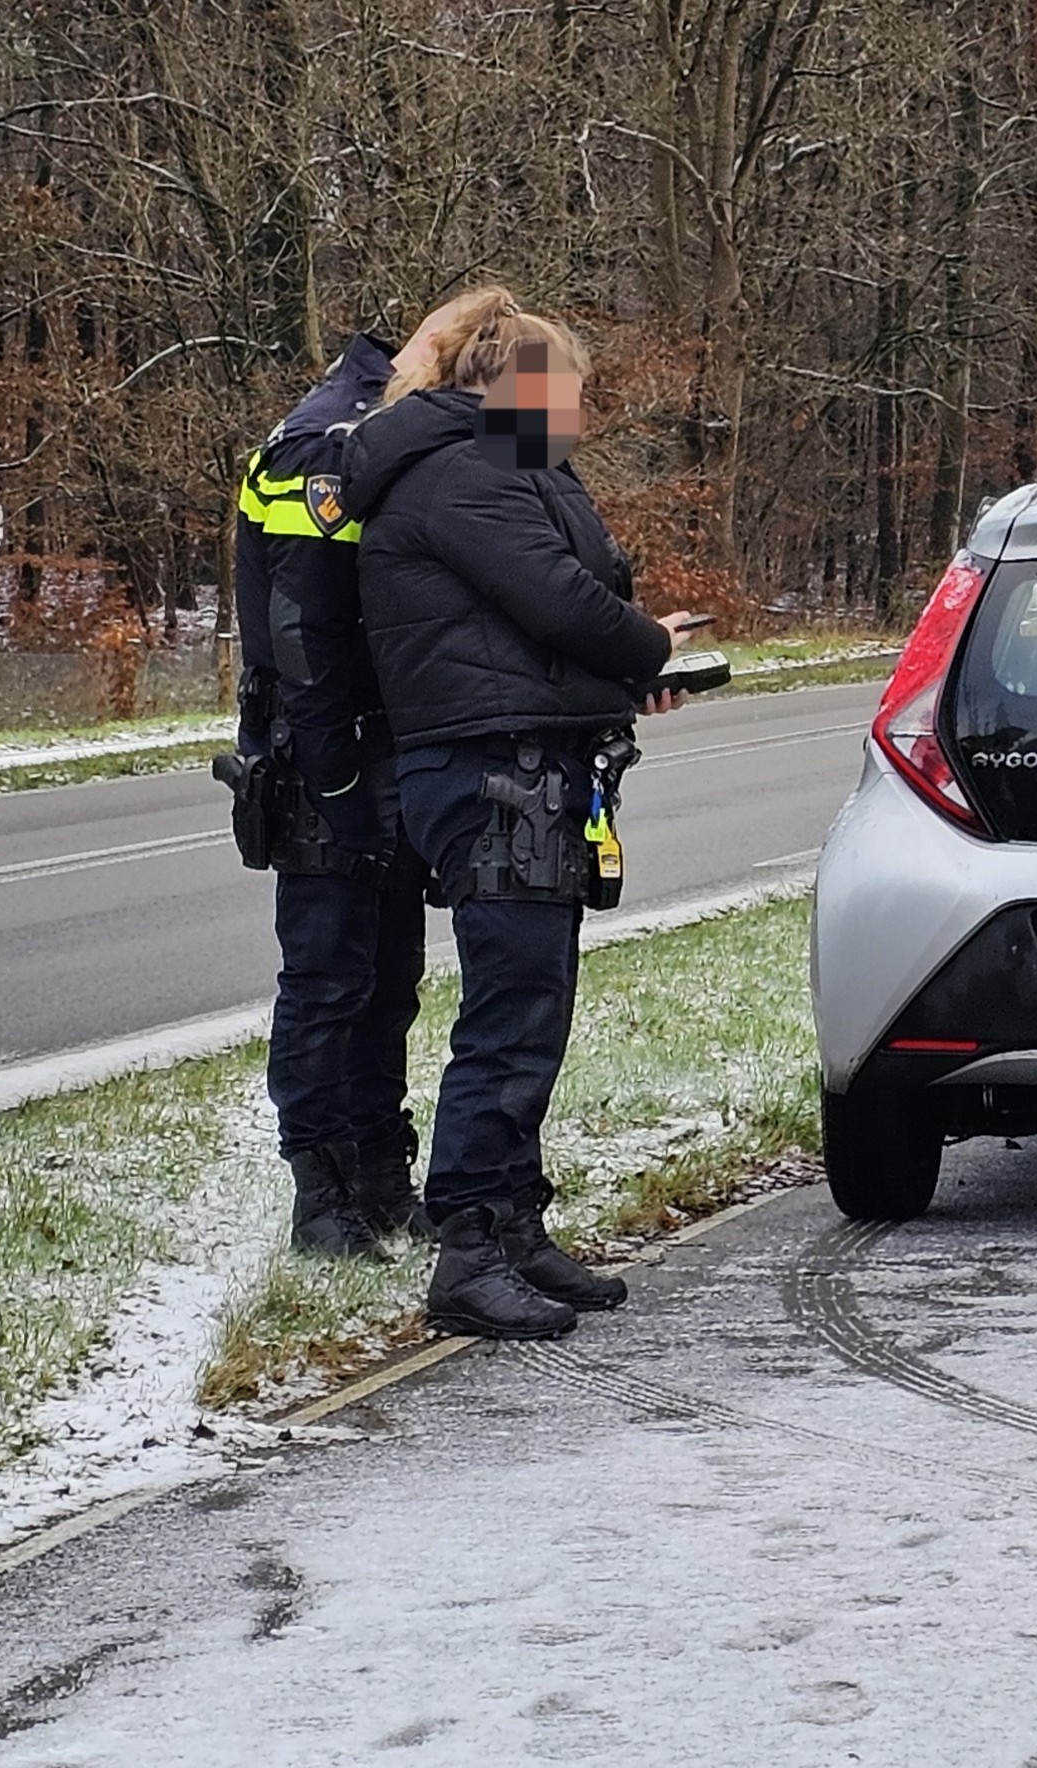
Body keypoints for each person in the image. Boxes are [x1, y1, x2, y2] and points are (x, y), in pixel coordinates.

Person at [346, 296, 686, 1340]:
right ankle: (466, 1245)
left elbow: (568, 605)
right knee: (506, 1018)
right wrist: (649, 648)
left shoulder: (500, 467)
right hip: (492, 769)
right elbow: (561, 601)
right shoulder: (463, 474)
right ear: (511, 385)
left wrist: (620, 670)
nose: (577, 404)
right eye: (565, 385)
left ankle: (510, 1217)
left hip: (528, 759)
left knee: (532, 1005)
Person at [222, 319, 427, 1259]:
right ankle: (320, 1190)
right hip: (325, 754)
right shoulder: (324, 443)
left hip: (378, 747)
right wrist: (336, 770)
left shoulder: (379, 426)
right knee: (329, 981)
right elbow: (303, 630)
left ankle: (382, 1175)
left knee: (388, 982)